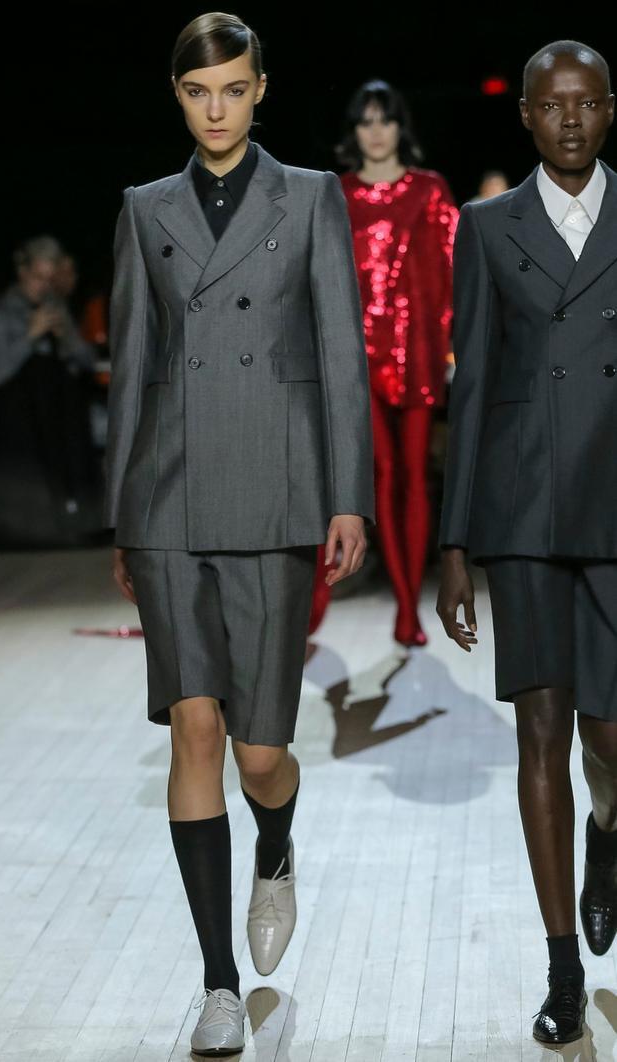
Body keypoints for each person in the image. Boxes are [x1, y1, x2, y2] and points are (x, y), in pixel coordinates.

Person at [106, 12, 374, 1055]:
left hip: (275, 491)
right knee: (196, 730)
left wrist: (347, 495)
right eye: (196, 91)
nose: (215, 109)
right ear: (178, 97)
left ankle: (276, 844)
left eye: (232, 88)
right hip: (169, 496)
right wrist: (123, 515)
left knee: (262, 753)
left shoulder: (309, 196)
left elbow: (341, 353)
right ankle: (219, 982)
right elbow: (133, 364)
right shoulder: (146, 208)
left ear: (261, 88)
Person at [436, 39, 617, 1045]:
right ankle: (561, 972)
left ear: (609, 109)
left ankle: (607, 828)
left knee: (611, 738)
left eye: (586, 103)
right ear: (528, 117)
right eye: (552, 105)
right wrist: (455, 543)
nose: (570, 120)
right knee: (541, 733)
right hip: (526, 510)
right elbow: (472, 384)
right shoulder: (488, 226)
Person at [333, 79, 458, 647]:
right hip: (358, 358)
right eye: (366, 121)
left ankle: (411, 606)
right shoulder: (338, 194)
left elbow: (454, 269)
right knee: (383, 474)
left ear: (400, 126)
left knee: (416, 476)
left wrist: (457, 345)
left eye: (385, 119)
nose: (376, 131)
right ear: (354, 131)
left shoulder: (430, 190)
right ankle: (405, 606)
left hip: (417, 353)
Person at [0, 236, 101, 546]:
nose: (44, 286)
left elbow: (87, 361)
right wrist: (30, 336)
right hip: (16, 414)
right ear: (23, 271)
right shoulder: (2, 309)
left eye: (50, 279)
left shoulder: (55, 306)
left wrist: (66, 337)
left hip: (55, 410)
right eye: (38, 277)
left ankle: (76, 519)